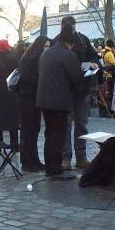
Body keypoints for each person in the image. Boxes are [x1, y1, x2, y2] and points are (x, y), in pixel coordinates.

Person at [52, 16, 100, 170]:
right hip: (65, 91)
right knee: (66, 125)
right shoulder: (56, 41)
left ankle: (80, 157)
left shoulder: (83, 39)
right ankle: (66, 157)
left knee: (81, 124)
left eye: (71, 27)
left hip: (82, 90)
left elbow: (94, 58)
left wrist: (93, 64)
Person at [37, 25, 84, 176]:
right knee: (58, 135)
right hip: (59, 101)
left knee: (49, 134)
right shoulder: (68, 55)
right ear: (70, 43)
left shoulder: (46, 53)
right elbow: (76, 79)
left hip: (44, 100)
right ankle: (55, 169)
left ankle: (50, 167)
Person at [17, 36, 50, 172]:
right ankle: (27, 161)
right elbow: (27, 79)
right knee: (28, 130)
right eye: (45, 46)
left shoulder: (39, 59)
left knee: (35, 129)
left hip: (34, 98)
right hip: (27, 99)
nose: (47, 49)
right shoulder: (29, 60)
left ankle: (34, 159)